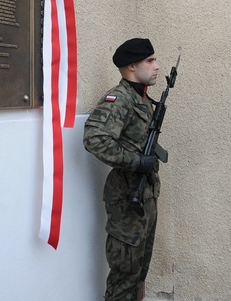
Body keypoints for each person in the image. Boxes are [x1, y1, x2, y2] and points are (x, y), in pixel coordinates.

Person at [84, 38, 163, 301]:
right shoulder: (119, 99)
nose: (156, 66)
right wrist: (137, 162)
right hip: (127, 201)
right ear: (132, 66)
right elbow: (94, 138)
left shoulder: (140, 99)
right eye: (150, 61)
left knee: (139, 273)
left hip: (144, 198)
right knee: (124, 278)